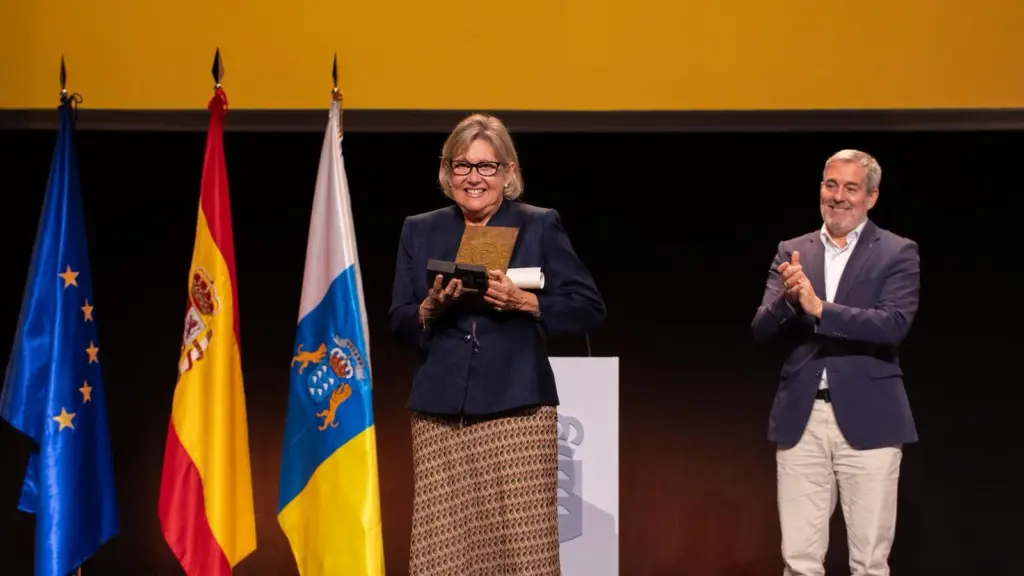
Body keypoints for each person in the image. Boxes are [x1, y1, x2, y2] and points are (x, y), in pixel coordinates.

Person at [388, 113, 606, 575]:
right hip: (439, 418)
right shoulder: (420, 228)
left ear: (508, 173)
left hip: (517, 412)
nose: (474, 177)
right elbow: (399, 319)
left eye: (487, 167)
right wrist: (429, 307)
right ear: (448, 173)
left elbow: (589, 307)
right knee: (442, 558)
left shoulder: (539, 224)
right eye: (463, 165)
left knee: (523, 558)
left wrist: (525, 302)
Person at [750, 149, 921, 576]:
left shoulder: (898, 251)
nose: (838, 196)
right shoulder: (792, 251)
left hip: (872, 417)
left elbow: (893, 325)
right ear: (820, 189)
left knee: (868, 561)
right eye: (831, 185)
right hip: (802, 418)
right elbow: (761, 329)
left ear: (871, 197)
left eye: (850, 188)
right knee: (800, 560)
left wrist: (819, 308)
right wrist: (791, 303)